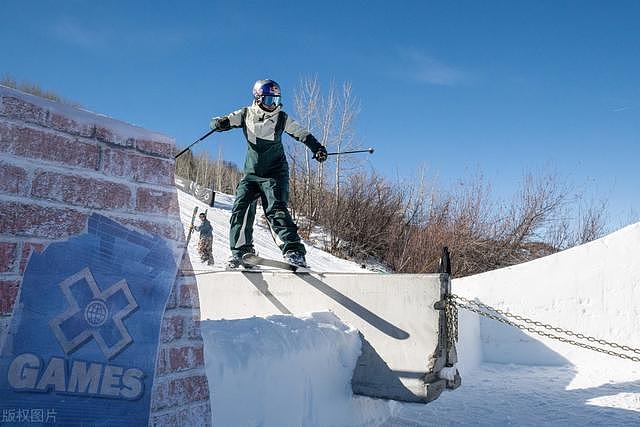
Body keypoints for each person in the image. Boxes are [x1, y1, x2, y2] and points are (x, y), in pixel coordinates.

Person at [209, 79, 328, 268]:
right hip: (251, 174)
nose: (273, 105)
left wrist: (317, 148)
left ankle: (293, 251)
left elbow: (301, 133)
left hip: (275, 173)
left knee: (275, 209)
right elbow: (217, 121)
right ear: (257, 99)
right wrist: (219, 123)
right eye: (268, 100)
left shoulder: (281, 117)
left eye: (276, 100)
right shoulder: (245, 114)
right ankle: (241, 252)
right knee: (241, 207)